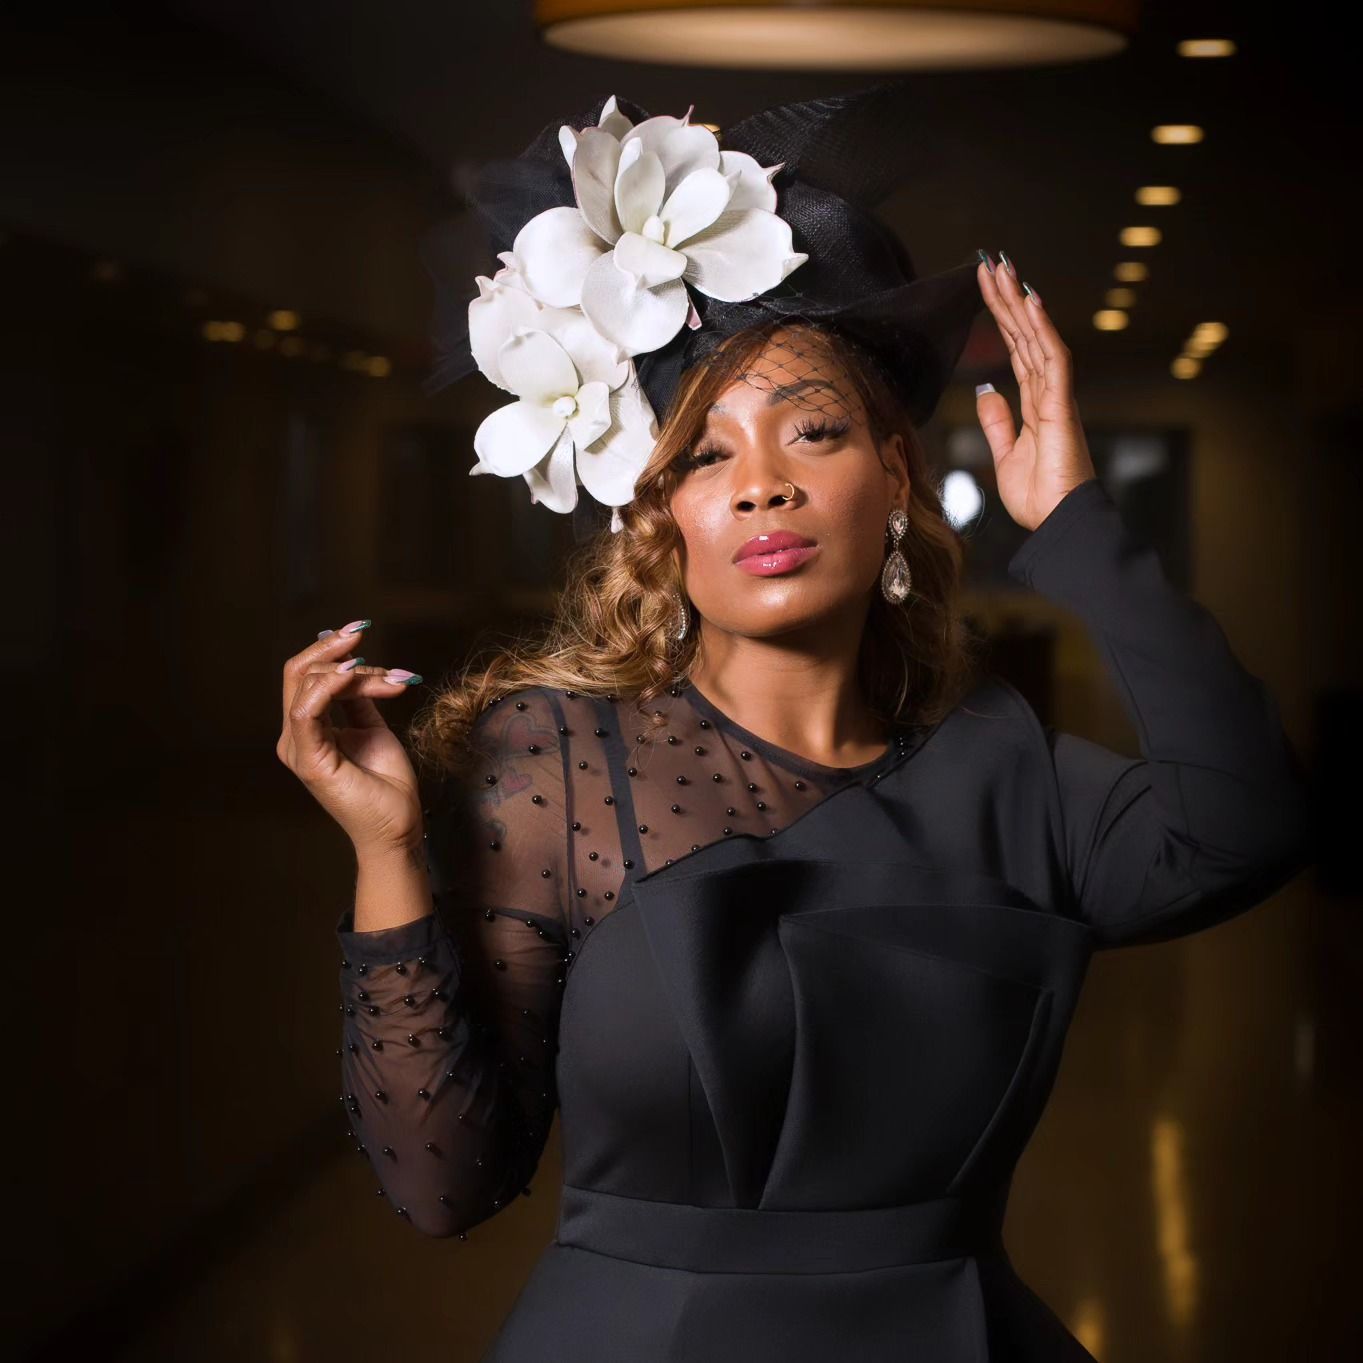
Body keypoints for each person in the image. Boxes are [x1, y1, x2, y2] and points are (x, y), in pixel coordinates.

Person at [276, 85, 1313, 1362]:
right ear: (659, 517)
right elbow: (444, 1187)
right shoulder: (556, 762)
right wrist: (388, 855)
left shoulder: (1009, 771)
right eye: (702, 455)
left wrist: (1076, 528)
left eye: (811, 429)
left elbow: (1250, 818)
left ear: (893, 476)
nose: (760, 477)